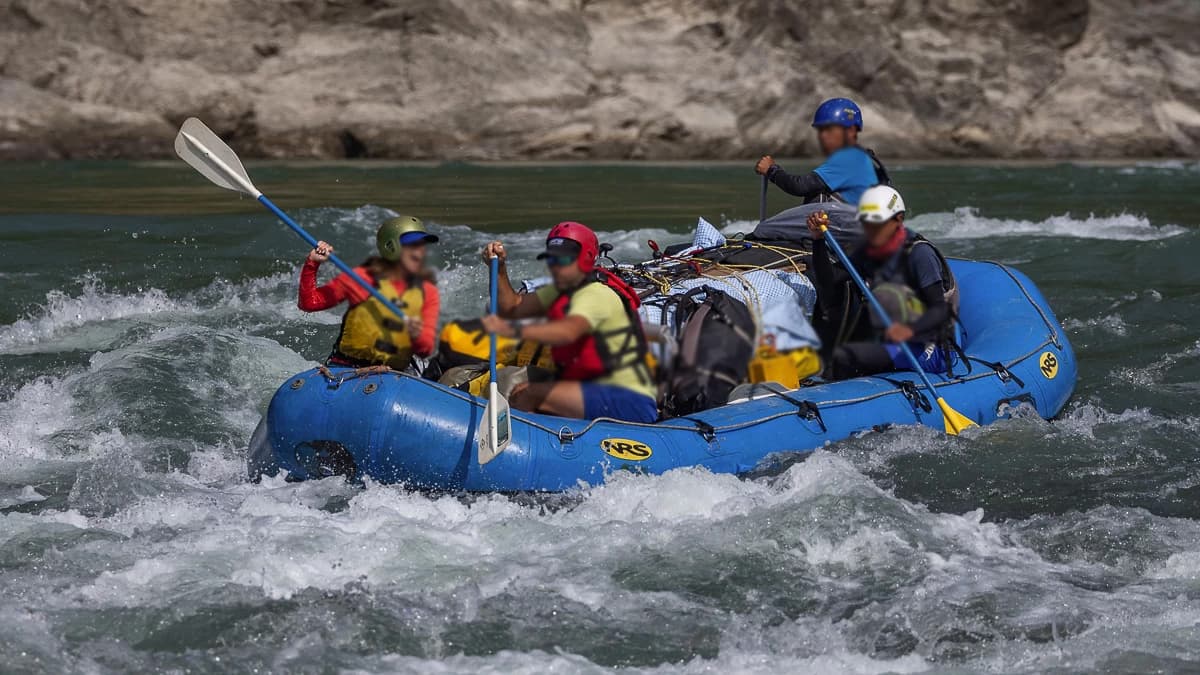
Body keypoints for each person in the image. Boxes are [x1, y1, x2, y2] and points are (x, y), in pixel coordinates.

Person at [479, 222, 658, 423]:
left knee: (526, 394)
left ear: (586, 258)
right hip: (588, 389)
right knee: (519, 387)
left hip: (626, 399)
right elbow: (511, 307)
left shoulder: (598, 294)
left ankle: (530, 449)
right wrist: (499, 268)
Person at [808, 186, 958, 380]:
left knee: (844, 358)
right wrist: (818, 241)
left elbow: (940, 310)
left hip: (929, 347)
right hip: (891, 340)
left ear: (899, 219)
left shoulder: (919, 255)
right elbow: (828, 281)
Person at [298, 215, 440, 372]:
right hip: (345, 367)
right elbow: (309, 303)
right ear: (390, 247)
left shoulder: (428, 292)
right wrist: (312, 263)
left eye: (422, 246)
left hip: (391, 374)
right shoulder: (361, 278)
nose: (419, 253)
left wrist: (416, 334)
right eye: (412, 245)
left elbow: (425, 349)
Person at [754, 97, 890, 206]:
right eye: (821, 130)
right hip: (857, 227)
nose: (823, 136)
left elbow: (800, 187)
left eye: (830, 129)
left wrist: (771, 170)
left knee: (816, 196)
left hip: (853, 231)